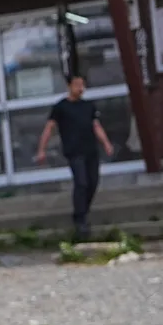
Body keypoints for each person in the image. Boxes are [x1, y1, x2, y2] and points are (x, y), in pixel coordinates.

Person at [35, 70, 115, 237]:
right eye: (77, 85)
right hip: (74, 151)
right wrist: (42, 149)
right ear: (69, 86)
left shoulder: (88, 106)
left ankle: (83, 210)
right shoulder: (61, 107)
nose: (81, 88)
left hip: (91, 150)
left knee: (93, 182)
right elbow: (49, 128)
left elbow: (96, 126)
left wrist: (106, 143)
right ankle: (80, 218)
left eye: (83, 85)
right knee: (81, 182)